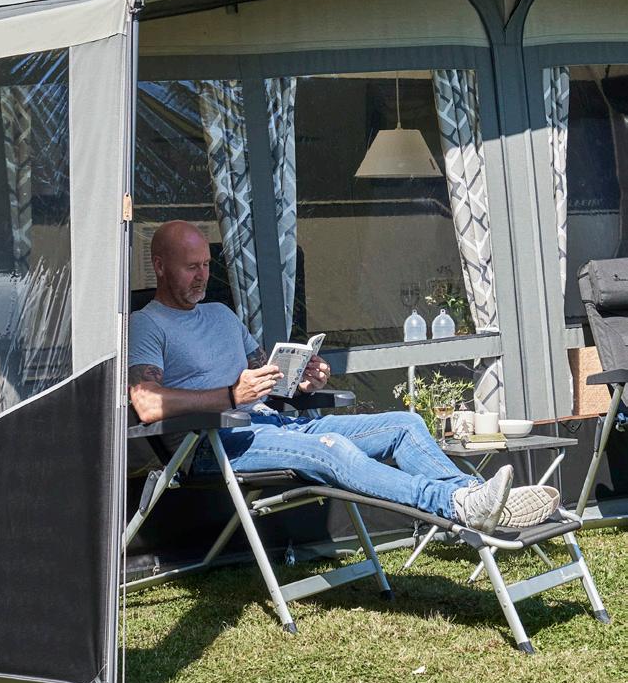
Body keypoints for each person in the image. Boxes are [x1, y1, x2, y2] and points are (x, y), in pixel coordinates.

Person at [127, 221, 559, 533]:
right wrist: (228, 395)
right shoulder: (148, 325)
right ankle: (457, 504)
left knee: (404, 424)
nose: (202, 275)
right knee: (332, 448)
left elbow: (266, 378)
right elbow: (145, 402)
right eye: (191, 267)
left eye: (206, 264)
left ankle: (476, 500)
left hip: (275, 424)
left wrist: (300, 381)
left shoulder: (221, 314)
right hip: (215, 443)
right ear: (160, 266)